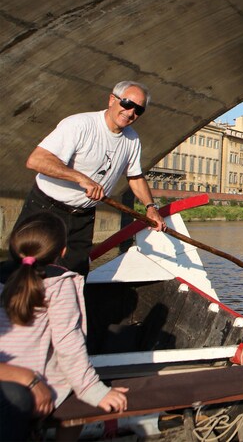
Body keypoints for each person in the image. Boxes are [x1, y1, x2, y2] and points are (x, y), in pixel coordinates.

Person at [12, 80, 166, 276]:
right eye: (127, 103)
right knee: (24, 272)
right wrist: (80, 178)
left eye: (138, 110)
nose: (130, 113)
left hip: (83, 217)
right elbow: (36, 160)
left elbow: (135, 177)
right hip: (46, 209)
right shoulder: (80, 124)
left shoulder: (132, 140)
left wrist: (151, 208)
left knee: (74, 276)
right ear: (112, 99)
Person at [0, 212, 128, 432]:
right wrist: (93, 390)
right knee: (75, 392)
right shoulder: (59, 284)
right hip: (33, 388)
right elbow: (68, 343)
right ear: (63, 251)